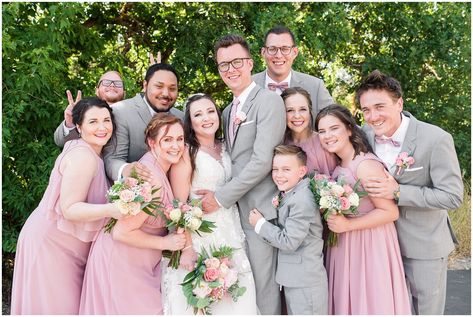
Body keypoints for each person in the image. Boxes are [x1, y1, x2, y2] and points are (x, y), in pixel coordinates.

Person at [357, 70, 464, 315]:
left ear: (399, 103)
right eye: (366, 110)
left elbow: (452, 196)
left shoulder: (436, 139)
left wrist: (399, 192)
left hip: (423, 245)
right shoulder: (364, 136)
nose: (373, 116)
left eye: (379, 106)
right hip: (379, 244)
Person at [197, 34, 286, 315]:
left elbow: (262, 161)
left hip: (259, 211)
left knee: (264, 288)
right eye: (224, 65)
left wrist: (221, 198)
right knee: (243, 289)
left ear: (250, 63)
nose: (231, 70)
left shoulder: (269, 102)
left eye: (237, 62)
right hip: (235, 216)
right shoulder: (225, 111)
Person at [11, 97, 124, 314]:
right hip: (51, 244)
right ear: (79, 127)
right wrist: (113, 210)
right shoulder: (84, 156)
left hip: (64, 244)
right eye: (93, 122)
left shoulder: (87, 150)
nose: (102, 127)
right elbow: (69, 209)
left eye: (106, 120)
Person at [79, 113, 187, 314]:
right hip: (120, 263)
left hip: (139, 264)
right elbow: (121, 232)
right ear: (152, 142)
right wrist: (165, 243)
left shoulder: (160, 167)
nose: (176, 146)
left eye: (180, 139)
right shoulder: (149, 177)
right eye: (168, 140)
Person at [161, 93, 258, 314]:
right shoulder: (187, 152)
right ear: (190, 122)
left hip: (231, 232)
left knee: (237, 296)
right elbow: (178, 205)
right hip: (199, 238)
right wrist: (186, 248)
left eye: (210, 111)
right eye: (198, 114)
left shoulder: (226, 147)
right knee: (204, 301)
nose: (206, 118)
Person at [315, 104, 411, 314]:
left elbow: (390, 212)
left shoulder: (365, 164)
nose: (327, 136)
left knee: (369, 302)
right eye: (322, 131)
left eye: (334, 128)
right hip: (344, 244)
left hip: (370, 245)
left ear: (349, 129)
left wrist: (348, 224)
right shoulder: (339, 164)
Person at [249, 145, 328, 315]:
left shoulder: (302, 199)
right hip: (295, 279)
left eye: (286, 169)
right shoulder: (291, 192)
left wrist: (260, 224)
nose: (278, 175)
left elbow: (289, 241)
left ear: (301, 171)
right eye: (275, 169)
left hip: (306, 282)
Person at [103, 63, 184, 183]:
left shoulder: (181, 117)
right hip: (137, 194)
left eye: (172, 88)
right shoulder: (120, 112)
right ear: (145, 85)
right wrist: (126, 169)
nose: (166, 93)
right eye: (159, 86)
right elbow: (113, 159)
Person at [253, 25, 333, 122]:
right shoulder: (247, 86)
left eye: (285, 49)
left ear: (294, 52)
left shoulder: (316, 87)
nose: (278, 55)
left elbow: (337, 122)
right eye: (272, 49)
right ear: (263, 52)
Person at [54, 71, 126, 147]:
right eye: (106, 82)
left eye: (118, 83)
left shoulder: (134, 114)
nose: (112, 85)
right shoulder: (85, 111)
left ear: (124, 93)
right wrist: (70, 122)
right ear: (97, 90)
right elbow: (60, 142)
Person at [281, 87, 337, 176]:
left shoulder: (324, 142)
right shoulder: (280, 143)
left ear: (309, 111)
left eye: (302, 109)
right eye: (290, 110)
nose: (297, 116)